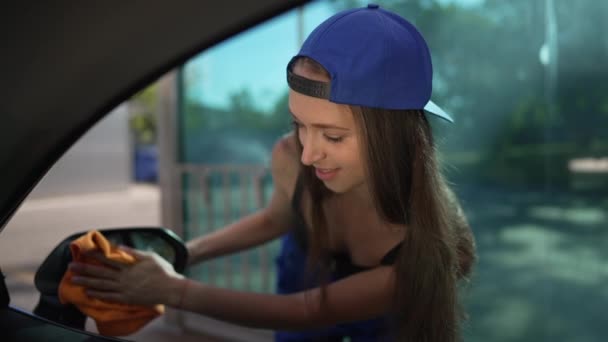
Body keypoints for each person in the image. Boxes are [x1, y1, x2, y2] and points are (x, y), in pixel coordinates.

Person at [69, 4, 476, 341]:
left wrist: (172, 290)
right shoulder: (288, 155)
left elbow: (304, 309)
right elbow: (274, 219)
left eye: (332, 136)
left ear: (396, 139)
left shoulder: (428, 243)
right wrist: (182, 253)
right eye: (299, 124)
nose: (306, 154)